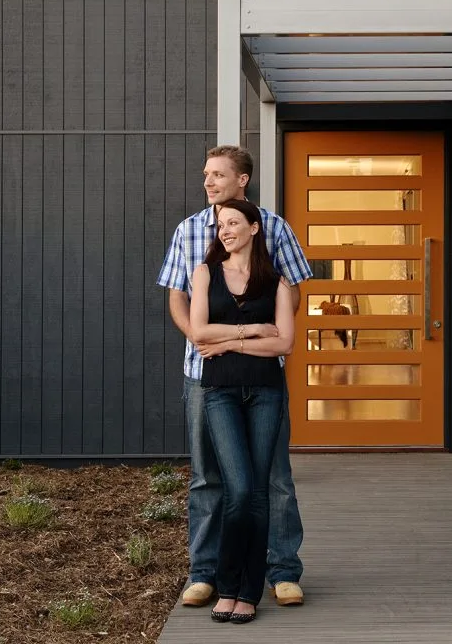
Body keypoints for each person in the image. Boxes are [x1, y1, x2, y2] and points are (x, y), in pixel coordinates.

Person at [156, 145, 311, 608]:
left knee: (275, 478)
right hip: (203, 375)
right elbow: (178, 301)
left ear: (242, 180)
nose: (208, 182)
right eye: (205, 174)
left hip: (264, 375)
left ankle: (282, 570)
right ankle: (203, 573)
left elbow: (292, 297)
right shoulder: (188, 232)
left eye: (217, 174)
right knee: (208, 478)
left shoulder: (275, 229)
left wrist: (243, 340)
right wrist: (202, 343)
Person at [190, 199, 294, 623]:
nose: (225, 230)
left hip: (267, 391)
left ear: (254, 228)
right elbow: (199, 332)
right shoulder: (205, 274)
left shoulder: (278, 282)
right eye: (220, 225)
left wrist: (227, 343)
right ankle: (227, 585)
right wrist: (249, 330)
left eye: (233, 223)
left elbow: (284, 343)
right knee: (237, 490)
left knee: (257, 493)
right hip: (220, 393)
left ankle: (249, 592)